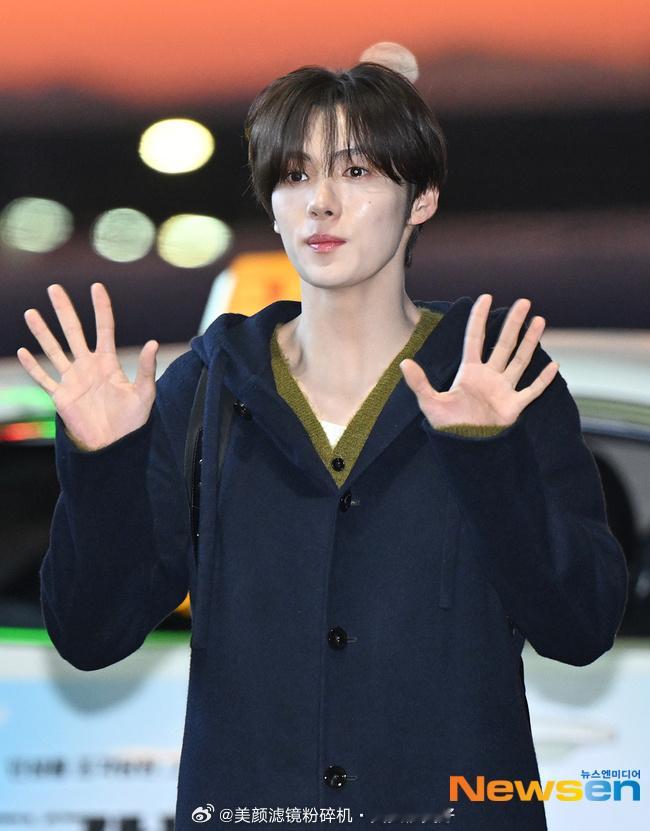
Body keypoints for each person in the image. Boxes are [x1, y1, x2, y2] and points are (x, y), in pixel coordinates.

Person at [17, 59, 628, 830]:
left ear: (422, 198)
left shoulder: (497, 375)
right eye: (295, 175)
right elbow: (90, 633)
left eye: (357, 170)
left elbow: (580, 628)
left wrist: (487, 452)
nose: (321, 202)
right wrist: (103, 463)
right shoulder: (207, 387)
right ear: (272, 206)